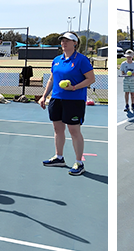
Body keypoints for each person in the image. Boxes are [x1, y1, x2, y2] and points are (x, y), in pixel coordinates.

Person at [36, 31, 94, 175]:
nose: (64, 42)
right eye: (62, 40)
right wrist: (44, 96)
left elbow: (90, 79)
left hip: (74, 101)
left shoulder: (81, 60)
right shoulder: (57, 60)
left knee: (74, 131)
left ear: (75, 43)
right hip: (56, 99)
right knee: (57, 129)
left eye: (67, 40)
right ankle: (59, 157)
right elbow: (51, 79)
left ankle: (79, 163)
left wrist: (74, 87)